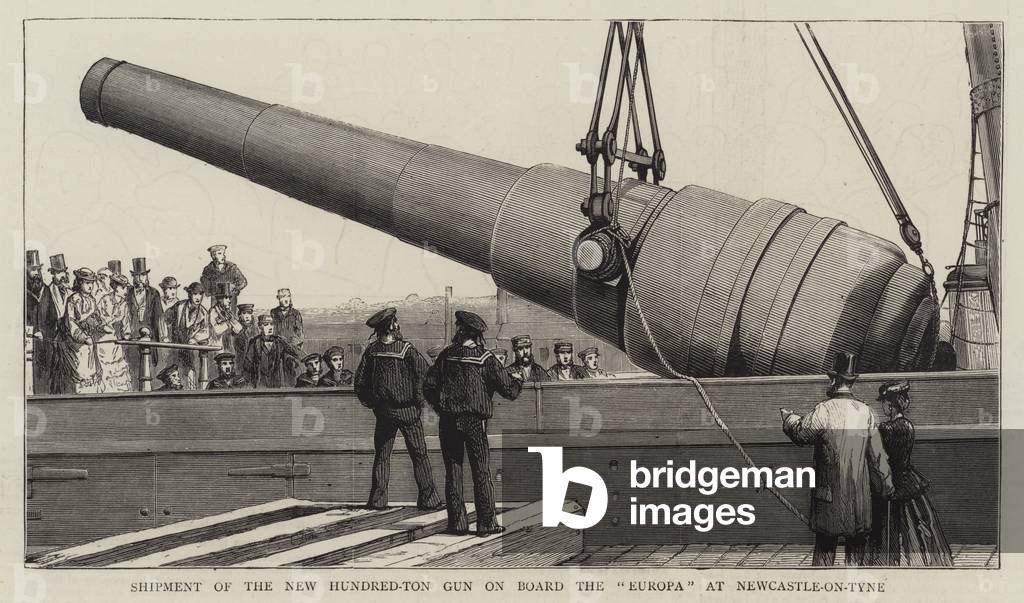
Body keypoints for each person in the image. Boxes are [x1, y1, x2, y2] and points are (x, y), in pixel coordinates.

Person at [780, 352, 894, 566]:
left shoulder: (824, 410)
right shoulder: (866, 412)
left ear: (834, 380)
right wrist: (887, 485)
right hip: (859, 499)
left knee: (824, 549)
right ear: (850, 383)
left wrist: (789, 418)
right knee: (857, 553)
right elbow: (878, 457)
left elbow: (801, 434)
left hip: (830, 498)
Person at [424, 310, 524, 535]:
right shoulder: (486, 359)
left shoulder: (446, 356)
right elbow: (509, 391)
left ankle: (457, 524)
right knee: (481, 472)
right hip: (474, 423)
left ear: (460, 332)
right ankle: (486, 523)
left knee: (453, 472)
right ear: (478, 335)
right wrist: (518, 380)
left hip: (448, 421)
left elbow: (428, 387)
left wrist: (441, 407)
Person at [355, 307, 442, 511]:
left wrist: (373, 403)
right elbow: (426, 377)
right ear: (391, 325)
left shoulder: (372, 351)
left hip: (384, 413)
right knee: (419, 455)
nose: (397, 325)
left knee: (382, 456)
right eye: (395, 322)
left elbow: (359, 383)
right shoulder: (406, 350)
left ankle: (377, 501)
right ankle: (429, 500)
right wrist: (419, 402)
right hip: (408, 412)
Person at [869, 381, 954, 566]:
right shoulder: (908, 426)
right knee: (917, 525)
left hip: (892, 481)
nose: (882, 406)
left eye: (883, 402)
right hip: (908, 479)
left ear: (890, 405)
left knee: (891, 527)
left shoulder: (885, 429)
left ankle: (891, 561)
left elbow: (880, 457)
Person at [50, 268, 105, 394]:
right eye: (87, 282)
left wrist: (101, 326)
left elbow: (97, 318)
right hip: (74, 345)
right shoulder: (73, 300)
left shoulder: (92, 300)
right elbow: (71, 323)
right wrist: (83, 337)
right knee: (79, 373)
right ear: (80, 283)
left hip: (89, 344)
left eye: (92, 283)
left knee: (91, 371)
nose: (90, 285)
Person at [164, 282, 211, 389]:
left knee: (190, 374)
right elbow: (164, 318)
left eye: (200, 294)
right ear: (189, 295)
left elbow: (206, 331)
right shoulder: (179, 306)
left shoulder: (204, 313)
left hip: (191, 350)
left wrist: (195, 338)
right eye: (195, 294)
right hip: (175, 346)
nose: (198, 297)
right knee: (173, 373)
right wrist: (165, 336)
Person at [126, 257, 165, 382]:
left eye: (142, 275)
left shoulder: (154, 293)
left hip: (150, 338)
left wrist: (162, 337)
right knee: (132, 371)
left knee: (149, 372)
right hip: (131, 338)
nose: (140, 279)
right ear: (133, 277)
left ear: (146, 276)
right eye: (137, 275)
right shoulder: (127, 293)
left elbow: (159, 316)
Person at [95, 273, 134, 393]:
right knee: (106, 370)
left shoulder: (124, 304)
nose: (125, 290)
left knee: (119, 370)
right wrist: (107, 324)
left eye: (126, 288)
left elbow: (126, 322)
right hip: (103, 341)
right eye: (123, 287)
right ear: (115, 287)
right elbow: (98, 319)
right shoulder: (105, 300)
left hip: (116, 342)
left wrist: (127, 334)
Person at [40, 254, 71, 393]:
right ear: (53, 274)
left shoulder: (69, 292)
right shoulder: (47, 291)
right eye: (58, 272)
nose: (62, 275)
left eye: (63, 271)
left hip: (66, 340)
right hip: (53, 339)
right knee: (54, 372)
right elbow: (44, 317)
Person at [244, 315, 302, 388]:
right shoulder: (254, 342)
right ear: (260, 327)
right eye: (266, 324)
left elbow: (295, 353)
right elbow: (248, 363)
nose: (270, 327)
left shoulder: (279, 341)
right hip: (259, 381)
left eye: (271, 324)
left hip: (276, 380)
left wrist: (293, 343)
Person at [199, 244, 247, 311]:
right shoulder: (208, 269)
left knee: (231, 318)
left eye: (223, 253)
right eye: (219, 253)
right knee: (216, 316)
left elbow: (243, 282)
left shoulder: (232, 267)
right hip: (216, 301)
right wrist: (214, 289)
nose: (223, 256)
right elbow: (205, 286)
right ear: (213, 256)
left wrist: (234, 288)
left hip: (231, 300)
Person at [271, 288, 304, 386]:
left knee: (291, 371)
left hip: (291, 349)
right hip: (277, 347)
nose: (286, 299)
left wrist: (293, 344)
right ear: (278, 298)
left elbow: (300, 334)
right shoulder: (273, 312)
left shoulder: (295, 313)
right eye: (282, 297)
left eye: (288, 296)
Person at [25, 250, 47, 393]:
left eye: (38, 269)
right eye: (33, 269)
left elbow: (52, 318)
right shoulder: (20, 292)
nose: (37, 273)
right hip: (28, 344)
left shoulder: (46, 290)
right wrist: (33, 332)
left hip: (44, 344)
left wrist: (44, 331)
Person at [209, 283, 242, 354]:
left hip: (228, 346)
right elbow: (217, 330)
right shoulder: (213, 312)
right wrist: (229, 324)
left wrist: (231, 322)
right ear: (220, 299)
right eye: (226, 298)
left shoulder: (228, 312)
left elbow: (238, 328)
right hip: (217, 348)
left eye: (230, 298)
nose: (229, 301)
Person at [234, 303, 259, 376]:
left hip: (254, 362)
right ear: (240, 315)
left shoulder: (256, 329)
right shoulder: (236, 330)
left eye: (249, 313)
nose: (247, 316)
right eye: (244, 313)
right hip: (240, 362)